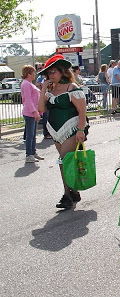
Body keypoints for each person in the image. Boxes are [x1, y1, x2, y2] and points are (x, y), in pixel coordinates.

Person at [38, 54, 89, 209]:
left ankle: (67, 195)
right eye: (48, 73)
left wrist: (81, 130)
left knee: (63, 161)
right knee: (66, 162)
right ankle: (73, 191)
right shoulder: (50, 91)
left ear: (62, 71)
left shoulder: (72, 88)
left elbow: (82, 112)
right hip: (55, 131)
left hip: (72, 129)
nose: (50, 75)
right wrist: (43, 90)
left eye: (53, 72)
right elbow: (41, 109)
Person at [21, 65, 44, 163]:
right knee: (30, 135)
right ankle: (29, 155)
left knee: (33, 134)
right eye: (33, 73)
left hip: (33, 112)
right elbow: (28, 99)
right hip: (29, 112)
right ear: (28, 74)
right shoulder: (26, 84)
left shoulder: (30, 83)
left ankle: (33, 152)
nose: (34, 74)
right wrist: (34, 112)